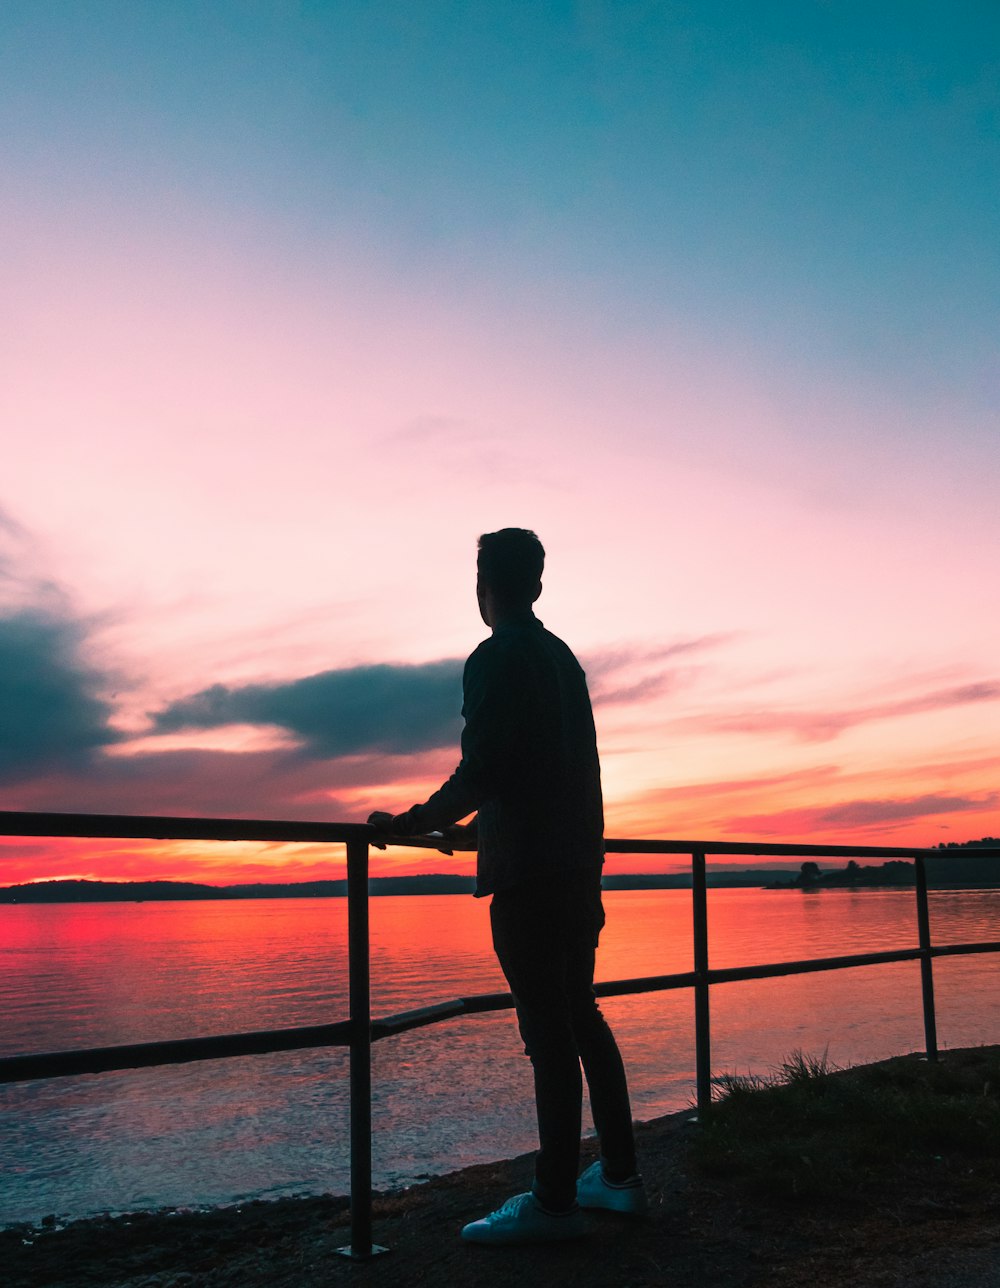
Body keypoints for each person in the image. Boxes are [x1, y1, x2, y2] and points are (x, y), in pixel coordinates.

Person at [368, 528, 647, 1244]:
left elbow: (486, 767)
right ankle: (618, 1178)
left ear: (483, 586)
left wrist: (412, 823)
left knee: (549, 1038)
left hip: (530, 875)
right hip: (579, 864)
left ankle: (553, 1203)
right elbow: (549, 769)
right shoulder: (561, 659)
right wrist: (481, 827)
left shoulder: (496, 657)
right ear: (539, 586)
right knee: (580, 1017)